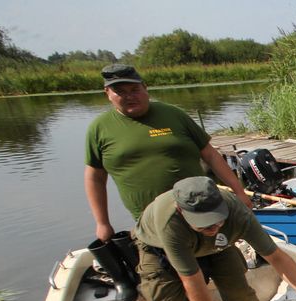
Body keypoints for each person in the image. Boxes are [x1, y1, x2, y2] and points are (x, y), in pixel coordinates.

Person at [133, 176, 296, 301]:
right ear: (180, 210)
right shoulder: (170, 224)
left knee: (242, 300)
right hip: (159, 248)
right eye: (205, 223)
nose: (213, 227)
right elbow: (192, 281)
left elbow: (275, 256)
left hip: (219, 245)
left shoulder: (236, 212)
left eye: (217, 220)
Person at [84, 63, 253, 244]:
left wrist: (239, 192)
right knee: (175, 267)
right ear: (107, 94)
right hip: (153, 220)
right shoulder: (99, 128)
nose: (129, 96)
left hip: (203, 210)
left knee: (224, 262)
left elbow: (211, 156)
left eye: (134, 89)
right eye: (120, 92)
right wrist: (102, 223)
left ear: (145, 88)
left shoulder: (174, 114)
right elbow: (95, 178)